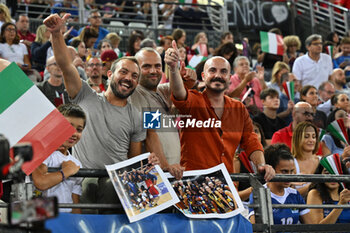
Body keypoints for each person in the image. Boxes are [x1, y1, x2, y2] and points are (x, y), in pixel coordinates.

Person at [44, 13, 169, 211]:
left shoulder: (137, 115)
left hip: (116, 189)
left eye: (134, 76)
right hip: (83, 183)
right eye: (124, 72)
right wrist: (56, 34)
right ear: (109, 74)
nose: (129, 78)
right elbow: (65, 65)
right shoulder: (85, 95)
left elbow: (132, 162)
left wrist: (150, 162)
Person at [164, 40, 275, 181]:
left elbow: (250, 141)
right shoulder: (193, 101)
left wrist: (262, 165)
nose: (218, 75)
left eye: (223, 72)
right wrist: (173, 69)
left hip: (226, 186)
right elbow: (179, 92)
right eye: (212, 70)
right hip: (193, 185)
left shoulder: (239, 108)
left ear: (229, 78)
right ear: (203, 76)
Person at [32, 103, 86, 213]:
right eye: (68, 127)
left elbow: (75, 201)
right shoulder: (42, 153)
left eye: (79, 129)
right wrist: (66, 171)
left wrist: (76, 224)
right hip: (40, 218)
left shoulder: (76, 163)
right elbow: (41, 183)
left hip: (65, 221)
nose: (74, 133)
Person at [249, 144, 313, 225]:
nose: (289, 176)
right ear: (271, 170)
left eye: (292, 171)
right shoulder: (259, 195)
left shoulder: (295, 194)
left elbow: (311, 227)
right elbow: (255, 228)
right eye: (284, 171)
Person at [291, 121, 320, 196]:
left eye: (314, 137)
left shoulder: (322, 161)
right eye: (306, 137)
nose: (311, 140)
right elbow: (290, 194)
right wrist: (314, 185)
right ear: (298, 139)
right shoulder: (291, 163)